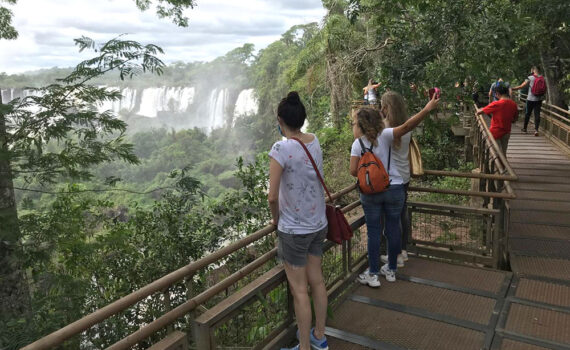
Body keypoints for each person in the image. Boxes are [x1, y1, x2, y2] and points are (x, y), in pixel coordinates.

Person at [351, 93, 440, 286]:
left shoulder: (357, 144)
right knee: (393, 229)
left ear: (360, 126)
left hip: (371, 194)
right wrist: (426, 109)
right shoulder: (388, 134)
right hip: (395, 188)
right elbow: (408, 126)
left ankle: (373, 274)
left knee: (374, 232)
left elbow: (353, 171)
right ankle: (391, 269)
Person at [268, 92, 329, 350]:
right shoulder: (314, 141)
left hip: (294, 230)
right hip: (318, 224)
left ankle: (304, 347)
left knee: (299, 291)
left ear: (281, 121)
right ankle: (319, 336)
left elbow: (272, 197)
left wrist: (275, 221)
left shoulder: (280, 148)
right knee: (317, 281)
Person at [378, 92, 412, 268]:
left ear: (385, 108)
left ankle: (396, 255)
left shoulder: (385, 129)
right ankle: (403, 251)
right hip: (405, 176)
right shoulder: (407, 127)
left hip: (391, 179)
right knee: (402, 215)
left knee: (392, 219)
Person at [476, 83, 518, 155]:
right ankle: (503, 165)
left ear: (497, 93)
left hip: (496, 131)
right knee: (503, 152)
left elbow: (479, 112)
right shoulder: (513, 104)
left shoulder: (496, 104)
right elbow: (515, 118)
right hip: (507, 131)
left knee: (496, 153)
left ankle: (499, 166)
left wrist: (480, 109)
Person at [512, 66, 545, 136]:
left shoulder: (530, 78)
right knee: (537, 114)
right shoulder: (542, 78)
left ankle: (525, 129)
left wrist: (512, 88)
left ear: (533, 70)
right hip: (538, 99)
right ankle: (536, 130)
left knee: (527, 114)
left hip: (530, 99)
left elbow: (521, 86)